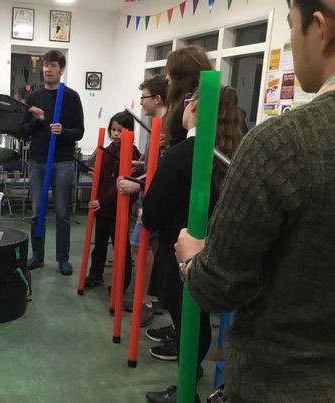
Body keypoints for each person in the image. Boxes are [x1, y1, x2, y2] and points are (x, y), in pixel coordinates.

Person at [175, 1, 335, 401]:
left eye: (291, 26)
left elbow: (219, 288)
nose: (291, 41)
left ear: (320, 28)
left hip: (282, 382)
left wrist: (191, 259)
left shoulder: (284, 143)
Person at [141, 86, 243, 403]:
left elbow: (153, 212)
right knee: (198, 323)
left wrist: (145, 212)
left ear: (195, 106)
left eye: (187, 101)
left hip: (181, 254)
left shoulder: (182, 154)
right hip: (219, 253)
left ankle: (187, 392)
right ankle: (191, 378)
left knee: (189, 324)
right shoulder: (234, 152)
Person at [119, 45, 214, 362]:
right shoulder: (181, 119)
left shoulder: (194, 127)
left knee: (184, 289)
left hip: (186, 217)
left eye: (171, 75)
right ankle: (178, 332)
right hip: (176, 213)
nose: (167, 80)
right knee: (175, 287)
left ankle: (187, 351)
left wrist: (148, 201)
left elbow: (179, 170)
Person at [21, 50, 84, 275]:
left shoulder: (71, 97)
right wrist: (37, 121)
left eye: (53, 65)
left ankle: (63, 259)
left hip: (63, 162)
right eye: (46, 65)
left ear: (61, 69)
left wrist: (63, 131)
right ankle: (37, 256)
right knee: (36, 213)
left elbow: (79, 131)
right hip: (38, 161)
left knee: (62, 213)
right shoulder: (34, 97)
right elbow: (23, 130)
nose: (48, 69)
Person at [125, 74, 169, 322]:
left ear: (157, 98)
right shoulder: (158, 128)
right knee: (149, 246)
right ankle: (149, 294)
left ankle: (145, 299)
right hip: (150, 196)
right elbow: (154, 165)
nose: (141, 102)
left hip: (155, 201)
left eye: (144, 97)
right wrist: (140, 166)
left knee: (137, 245)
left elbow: (163, 171)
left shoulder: (167, 130)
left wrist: (138, 185)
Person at [84, 111, 140, 289]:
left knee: (121, 247)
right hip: (103, 209)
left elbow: (122, 185)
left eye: (120, 130)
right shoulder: (108, 150)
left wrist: (102, 201)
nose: (115, 133)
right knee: (99, 244)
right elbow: (104, 177)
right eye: (113, 130)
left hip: (118, 209)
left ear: (129, 131)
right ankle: (95, 274)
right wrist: (96, 175)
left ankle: (121, 283)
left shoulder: (133, 154)